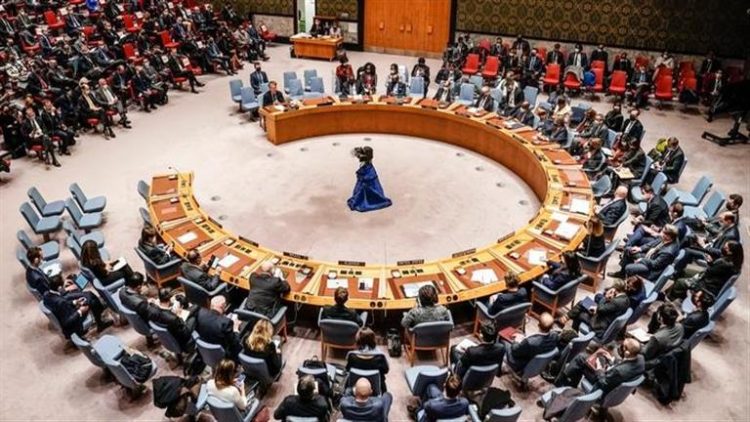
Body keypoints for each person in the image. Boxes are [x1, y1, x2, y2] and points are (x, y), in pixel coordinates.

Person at [556, 338, 645, 395]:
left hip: (603, 384)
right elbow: (623, 364)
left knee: (581, 358)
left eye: (622, 347)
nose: (619, 347)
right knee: (597, 358)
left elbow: (603, 382)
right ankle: (571, 384)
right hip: (613, 376)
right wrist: (611, 360)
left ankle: (561, 381)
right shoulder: (641, 359)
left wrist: (599, 369)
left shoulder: (619, 371)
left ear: (627, 353)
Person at [667, 241, 743, 301]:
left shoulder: (724, 263)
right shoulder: (735, 263)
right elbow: (715, 271)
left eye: (726, 248)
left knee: (679, 282)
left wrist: (710, 262)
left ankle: (669, 298)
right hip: (712, 281)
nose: (723, 248)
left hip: (706, 286)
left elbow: (709, 272)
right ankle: (682, 294)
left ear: (730, 252)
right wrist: (712, 263)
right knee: (686, 271)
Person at [42, 274, 112, 338]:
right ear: (59, 287)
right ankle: (100, 322)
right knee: (91, 299)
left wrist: (75, 302)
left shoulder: (46, 294)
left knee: (88, 298)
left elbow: (62, 305)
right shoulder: (61, 302)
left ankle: (100, 320)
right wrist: (80, 311)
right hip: (72, 324)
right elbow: (67, 322)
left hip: (66, 311)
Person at [675, 212, 740, 275]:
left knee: (688, 251)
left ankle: (676, 272)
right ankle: (674, 254)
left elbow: (721, 252)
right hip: (710, 246)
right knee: (690, 237)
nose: (719, 222)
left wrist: (704, 246)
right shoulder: (727, 227)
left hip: (712, 256)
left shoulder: (731, 236)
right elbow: (716, 238)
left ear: (728, 221)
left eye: (721, 221)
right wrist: (706, 240)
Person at [612, 224, 680, 280]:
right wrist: (640, 249)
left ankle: (629, 283)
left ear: (668, 236)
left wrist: (642, 260)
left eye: (663, 232)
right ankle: (622, 274)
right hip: (651, 256)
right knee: (629, 250)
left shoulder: (668, 252)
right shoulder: (667, 238)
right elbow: (652, 243)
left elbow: (655, 264)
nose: (660, 233)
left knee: (629, 268)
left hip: (651, 269)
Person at [561, 284, 630, 334]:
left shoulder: (615, 302)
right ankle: (566, 319)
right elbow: (606, 309)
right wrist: (597, 308)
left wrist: (606, 297)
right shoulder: (625, 299)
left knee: (580, 313)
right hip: (604, 315)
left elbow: (600, 309)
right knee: (584, 302)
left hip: (599, 323)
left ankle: (570, 329)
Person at [347, 146, 392, 212]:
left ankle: (366, 200)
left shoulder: (364, 160)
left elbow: (362, 163)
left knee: (364, 185)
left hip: (367, 171)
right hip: (369, 170)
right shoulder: (368, 160)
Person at [346, 328, 390, 392]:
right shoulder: (381, 356)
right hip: (376, 388)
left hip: (356, 388)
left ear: (358, 341)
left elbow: (347, 369)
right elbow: (386, 370)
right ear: (373, 340)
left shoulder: (351, 355)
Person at [641, 302, 683, 368]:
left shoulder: (657, 338)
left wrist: (639, 346)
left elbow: (646, 354)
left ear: (661, 318)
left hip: (652, 360)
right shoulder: (680, 326)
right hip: (666, 356)